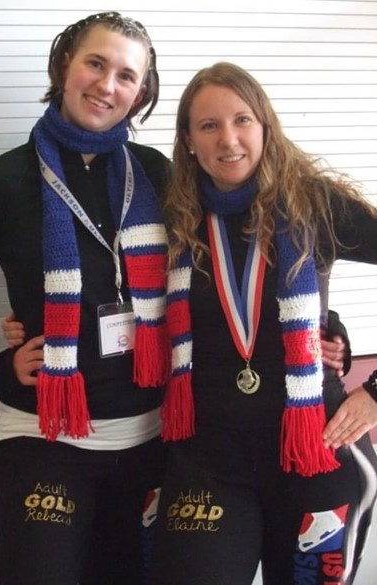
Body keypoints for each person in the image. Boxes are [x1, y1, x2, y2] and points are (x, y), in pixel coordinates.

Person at [0, 12, 172, 585]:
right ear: (64, 65)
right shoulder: (5, 181)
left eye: (126, 75)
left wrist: (330, 325)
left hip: (150, 441)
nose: (107, 84)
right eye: (96, 63)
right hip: (45, 441)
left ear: (141, 93)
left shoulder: (159, 175)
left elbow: (229, 268)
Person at [144, 62, 377, 585]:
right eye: (209, 125)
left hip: (316, 454)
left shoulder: (315, 204)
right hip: (209, 460)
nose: (228, 140)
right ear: (188, 139)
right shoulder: (173, 215)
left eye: (242, 119)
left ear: (265, 126)